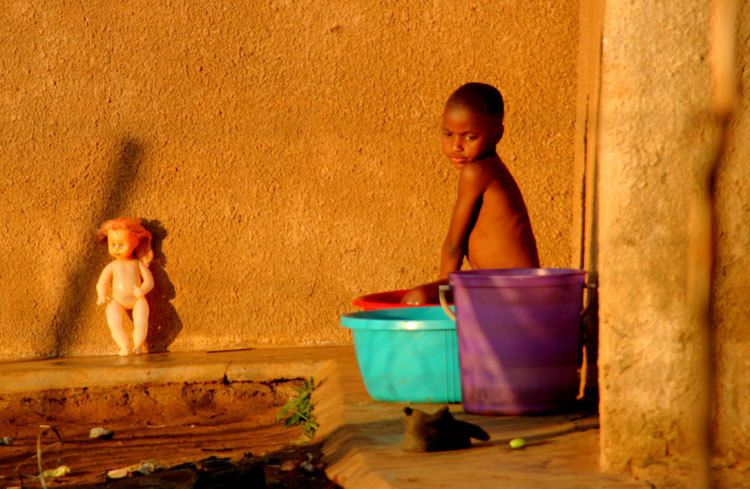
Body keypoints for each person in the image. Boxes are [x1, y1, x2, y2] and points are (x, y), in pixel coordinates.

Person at [402, 83, 539, 305]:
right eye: (448, 134)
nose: (456, 145)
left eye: (470, 137)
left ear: (497, 135)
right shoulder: (487, 169)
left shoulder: (476, 172)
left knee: (416, 299)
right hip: (501, 286)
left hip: (511, 290)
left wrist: (442, 298)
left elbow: (454, 244)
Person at [95, 217, 154, 355]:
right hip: (117, 300)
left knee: (140, 322)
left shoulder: (137, 264)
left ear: (135, 242)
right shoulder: (112, 266)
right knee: (113, 321)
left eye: (121, 245)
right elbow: (102, 282)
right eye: (112, 244)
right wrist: (101, 294)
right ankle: (124, 346)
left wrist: (143, 290)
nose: (116, 249)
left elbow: (149, 281)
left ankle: (137, 346)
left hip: (137, 299)